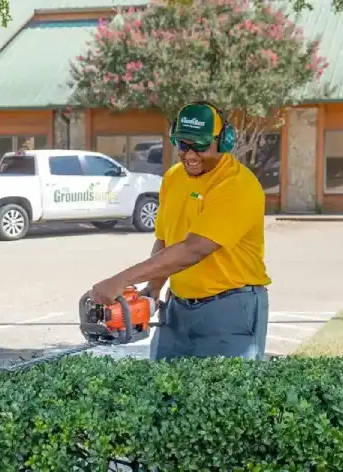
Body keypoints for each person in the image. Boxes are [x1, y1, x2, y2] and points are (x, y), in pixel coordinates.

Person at [90, 101, 271, 361]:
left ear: (224, 142)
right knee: (164, 393)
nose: (191, 155)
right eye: (183, 145)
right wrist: (152, 289)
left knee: (225, 397)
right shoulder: (174, 178)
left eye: (201, 146)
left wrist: (120, 280)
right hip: (178, 307)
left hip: (231, 309)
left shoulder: (238, 186)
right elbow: (165, 239)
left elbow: (193, 249)